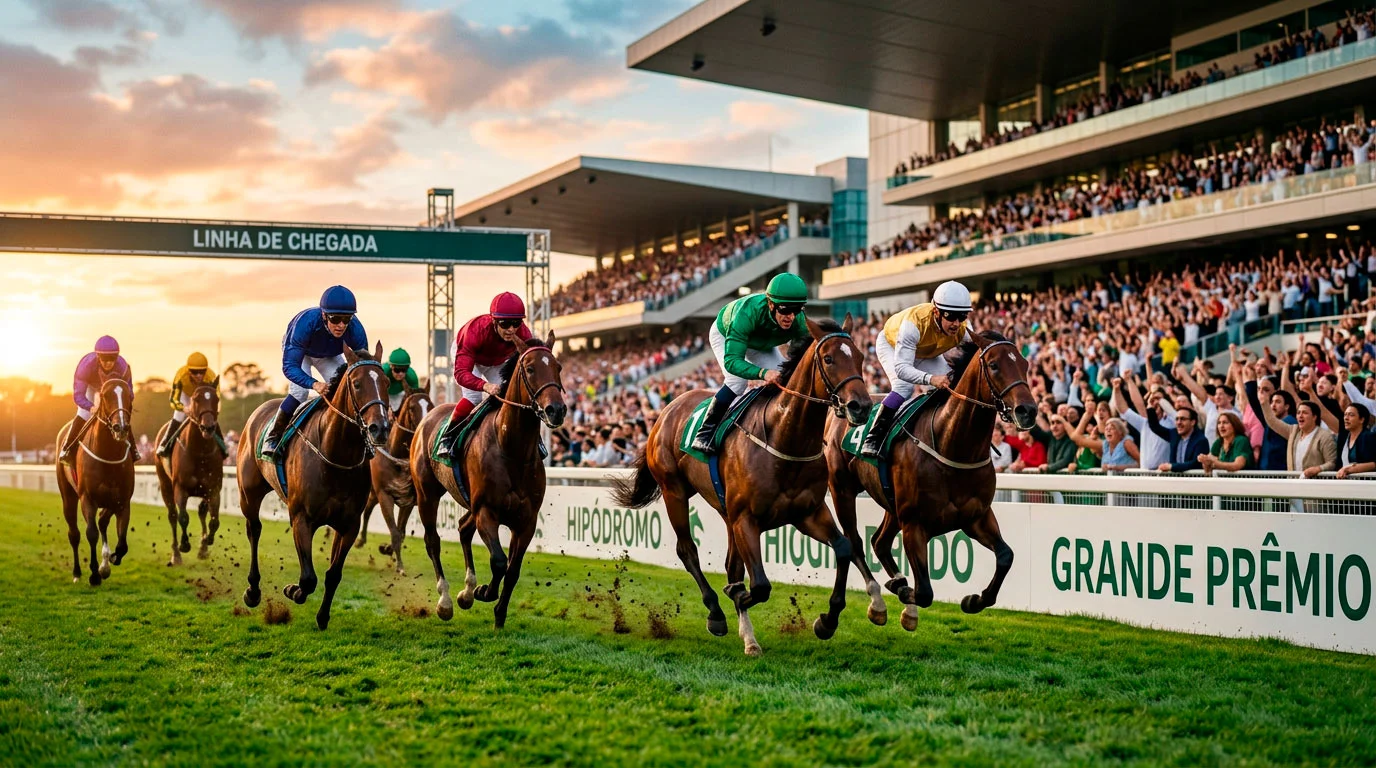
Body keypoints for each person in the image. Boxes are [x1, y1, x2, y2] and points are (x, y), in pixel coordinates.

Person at [691, 273, 811, 455]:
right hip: (726, 334)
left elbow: (797, 360)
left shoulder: (799, 321)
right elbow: (732, 362)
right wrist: (763, 373)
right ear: (771, 304)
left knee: (786, 380)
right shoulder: (747, 313)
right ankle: (704, 433)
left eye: (797, 310)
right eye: (785, 309)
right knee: (737, 382)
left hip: (761, 343)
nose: (791, 316)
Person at [862, 280, 974, 458]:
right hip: (892, 345)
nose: (956, 323)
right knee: (904, 387)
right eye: (951, 316)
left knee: (949, 388)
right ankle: (873, 438)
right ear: (936, 311)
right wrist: (931, 379)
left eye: (961, 317)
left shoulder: (964, 330)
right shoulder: (913, 324)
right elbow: (902, 369)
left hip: (926, 351)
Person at [262, 286, 368, 459]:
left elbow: (362, 368)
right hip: (300, 353)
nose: (341, 325)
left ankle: (359, 437)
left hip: (328, 354)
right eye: (335, 319)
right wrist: (314, 383)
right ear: (324, 315)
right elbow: (290, 367)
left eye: (346, 319)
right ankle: (273, 435)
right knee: (300, 392)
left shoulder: (356, 329)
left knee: (347, 389)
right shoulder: (305, 324)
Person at [435, 292, 533, 459]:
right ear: (494, 320)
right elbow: (461, 374)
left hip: (497, 360)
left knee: (509, 395)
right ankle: (448, 436)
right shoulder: (474, 332)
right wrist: (484, 385)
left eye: (516, 323)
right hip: (470, 358)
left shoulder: (524, 334)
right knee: (474, 397)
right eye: (505, 324)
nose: (511, 329)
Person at [59, 335, 138, 465]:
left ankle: (133, 450)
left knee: (121, 417)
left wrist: (121, 407)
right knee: (83, 414)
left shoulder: (123, 367)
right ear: (98, 357)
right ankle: (67, 448)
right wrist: (91, 407)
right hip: (91, 388)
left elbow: (129, 393)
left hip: (111, 389)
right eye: (104, 359)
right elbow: (78, 396)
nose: (108, 363)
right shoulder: (86, 366)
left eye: (112, 359)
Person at [156, 352, 223, 457]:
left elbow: (216, 397)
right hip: (186, 395)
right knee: (178, 416)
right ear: (188, 370)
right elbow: (173, 399)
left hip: (203, 399)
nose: (199, 375)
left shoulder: (211, 376)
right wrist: (184, 408)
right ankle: (165, 443)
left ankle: (222, 446)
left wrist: (212, 411)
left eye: (202, 372)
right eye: (195, 372)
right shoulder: (181, 375)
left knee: (210, 417)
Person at [1148, 406, 1210, 473]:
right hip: (1175, 478)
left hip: (1193, 479)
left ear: (1192, 422)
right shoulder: (1174, 434)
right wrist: (1150, 408)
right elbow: (1156, 428)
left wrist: (1172, 466)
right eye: (1177, 419)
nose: (1178, 422)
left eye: (1182, 419)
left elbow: (1195, 464)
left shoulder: (1201, 440)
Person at [384, 348, 420, 414]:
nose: (400, 374)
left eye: (404, 370)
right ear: (391, 367)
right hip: (385, 394)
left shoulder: (412, 377)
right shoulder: (383, 372)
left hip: (401, 396)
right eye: (397, 370)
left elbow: (415, 399)